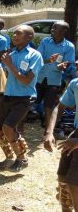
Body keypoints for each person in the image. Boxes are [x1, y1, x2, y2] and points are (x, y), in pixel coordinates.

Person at [0, 25, 43, 172]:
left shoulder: (34, 55)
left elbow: (26, 80)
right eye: (13, 33)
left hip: (24, 97)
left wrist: (9, 64)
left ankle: (22, 159)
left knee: (8, 127)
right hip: (9, 95)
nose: (14, 36)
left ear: (29, 37)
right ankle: (9, 157)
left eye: (19, 33)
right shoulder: (12, 54)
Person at [43, 75, 78, 212]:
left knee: (74, 184)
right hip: (75, 134)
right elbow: (59, 107)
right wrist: (49, 132)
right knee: (63, 177)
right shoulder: (75, 83)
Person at [36, 21, 75, 128]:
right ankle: (20, 129)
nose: (52, 29)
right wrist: (49, 61)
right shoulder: (45, 41)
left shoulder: (69, 46)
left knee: (49, 106)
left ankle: (48, 130)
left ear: (64, 31)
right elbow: (38, 58)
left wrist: (63, 66)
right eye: (53, 27)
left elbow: (68, 63)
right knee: (31, 103)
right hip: (39, 77)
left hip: (54, 80)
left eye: (56, 28)